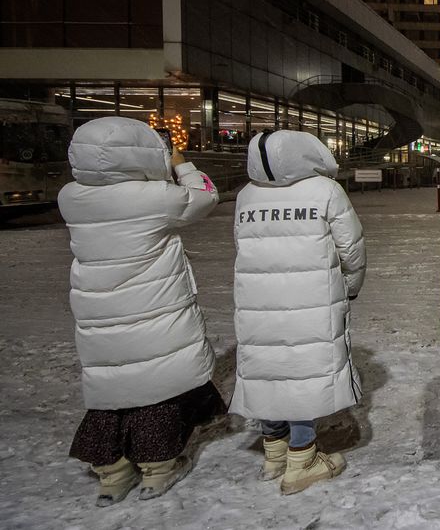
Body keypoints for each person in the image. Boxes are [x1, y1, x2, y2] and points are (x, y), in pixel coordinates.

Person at [58, 117, 224, 506]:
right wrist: (180, 162)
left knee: (112, 384)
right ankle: (158, 467)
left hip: (98, 311)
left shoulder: (71, 196)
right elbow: (206, 195)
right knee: (154, 383)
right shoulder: (153, 197)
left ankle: (111, 472)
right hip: (153, 308)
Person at [229, 130, 366, 495]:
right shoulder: (325, 192)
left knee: (269, 367)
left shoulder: (246, 196)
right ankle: (302, 458)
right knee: (302, 371)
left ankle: (273, 452)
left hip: (257, 300)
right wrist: (350, 286)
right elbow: (350, 247)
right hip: (312, 298)